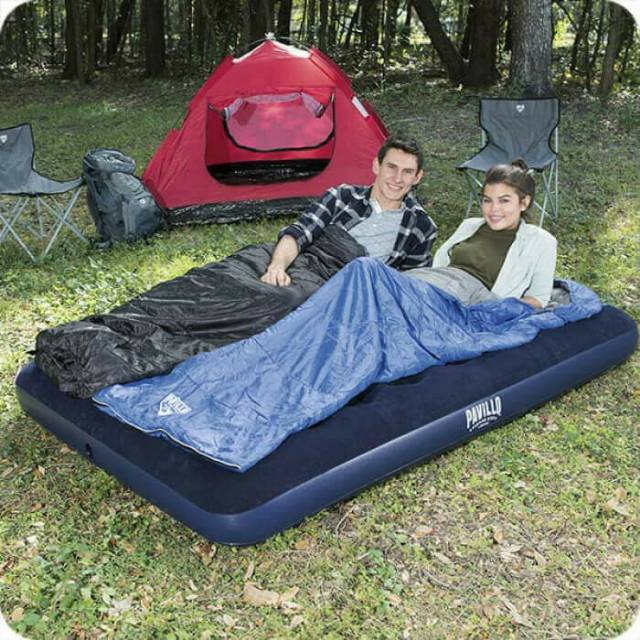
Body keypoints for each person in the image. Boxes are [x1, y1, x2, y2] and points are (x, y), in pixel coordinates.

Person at [261, 137, 437, 286]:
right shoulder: (341, 197)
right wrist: (277, 267)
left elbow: (412, 284)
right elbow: (299, 233)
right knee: (251, 270)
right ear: (377, 166)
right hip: (305, 267)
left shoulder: (421, 227)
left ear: (417, 177)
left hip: (349, 291)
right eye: (391, 167)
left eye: (407, 172)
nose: (397, 178)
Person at [406, 160, 557, 308]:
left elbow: (538, 299)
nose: (494, 209)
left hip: (475, 301)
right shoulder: (470, 225)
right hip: (436, 283)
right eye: (487, 200)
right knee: (396, 284)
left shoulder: (541, 241)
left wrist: (497, 309)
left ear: (524, 202)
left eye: (504, 201)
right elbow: (440, 265)